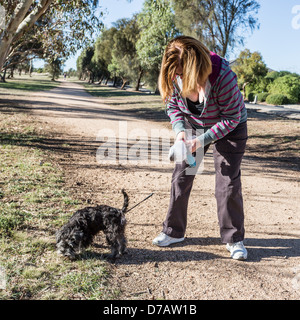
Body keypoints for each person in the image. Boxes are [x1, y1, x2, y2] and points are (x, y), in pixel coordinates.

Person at [153, 36, 248, 260]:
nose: (179, 78)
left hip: (230, 127)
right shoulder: (175, 74)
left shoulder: (222, 76)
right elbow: (173, 105)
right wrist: (180, 134)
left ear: (196, 68)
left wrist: (200, 141)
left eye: (183, 73)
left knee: (227, 181)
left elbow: (231, 117)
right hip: (194, 127)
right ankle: (173, 232)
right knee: (182, 175)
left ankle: (234, 239)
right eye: (176, 74)